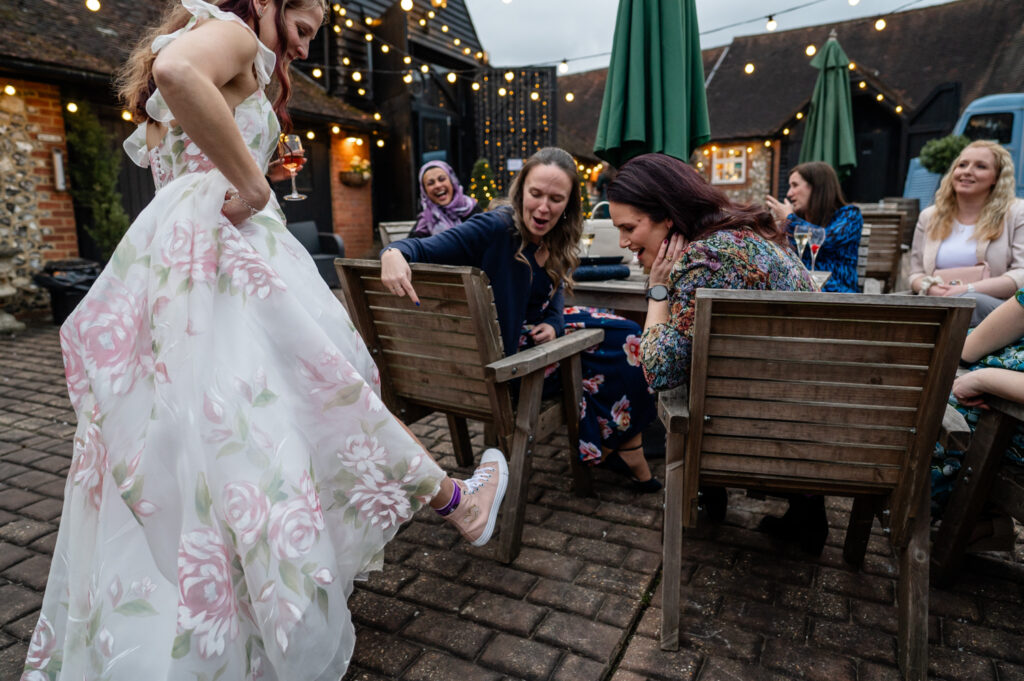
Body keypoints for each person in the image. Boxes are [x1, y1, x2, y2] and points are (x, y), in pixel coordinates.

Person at [21, 2, 507, 680]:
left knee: (218, 443)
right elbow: (180, 72)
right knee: (323, 396)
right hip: (229, 261)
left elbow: (183, 135)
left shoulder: (203, 42)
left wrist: (250, 167)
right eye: (303, 29)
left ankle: (228, 620)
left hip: (183, 266)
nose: (304, 49)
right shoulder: (233, 34)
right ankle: (456, 502)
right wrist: (252, 184)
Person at [381, 147, 660, 491]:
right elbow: (421, 248)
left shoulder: (554, 234)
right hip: (512, 362)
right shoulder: (495, 226)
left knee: (626, 333)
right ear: (520, 190)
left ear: (569, 204)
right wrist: (392, 253)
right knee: (627, 341)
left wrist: (555, 322)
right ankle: (621, 445)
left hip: (536, 338)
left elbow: (555, 288)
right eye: (536, 194)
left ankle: (616, 442)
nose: (543, 207)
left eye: (556, 199)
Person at [606, 153, 828, 553]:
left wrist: (658, 290)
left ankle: (707, 489)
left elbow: (658, 372)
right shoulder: (745, 232)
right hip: (810, 417)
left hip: (749, 433)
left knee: (685, 380)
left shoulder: (703, 260)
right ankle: (798, 507)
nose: (623, 242)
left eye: (629, 227)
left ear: (667, 216)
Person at [930, 288, 1024, 548]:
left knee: (933, 406)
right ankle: (984, 522)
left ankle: (970, 522)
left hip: (1004, 419)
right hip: (996, 406)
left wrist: (985, 378)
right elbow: (968, 350)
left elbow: (969, 351)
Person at [908, 140, 1024, 326]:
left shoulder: (1017, 213)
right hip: (938, 304)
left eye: (980, 166)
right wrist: (929, 287)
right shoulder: (929, 216)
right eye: (962, 165)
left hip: (998, 311)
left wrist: (967, 289)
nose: (967, 171)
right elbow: (915, 273)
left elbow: (1021, 275)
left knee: (969, 302)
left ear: (996, 178)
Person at [766, 161, 863, 293]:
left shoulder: (850, 215)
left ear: (816, 187)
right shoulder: (797, 220)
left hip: (838, 295)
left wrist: (790, 219)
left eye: (795, 185)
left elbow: (827, 239)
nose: (789, 193)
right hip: (799, 294)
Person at [409, 160, 480, 238]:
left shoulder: (473, 211)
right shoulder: (423, 224)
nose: (438, 185)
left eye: (442, 179)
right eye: (430, 183)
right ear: (425, 191)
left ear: (452, 182)